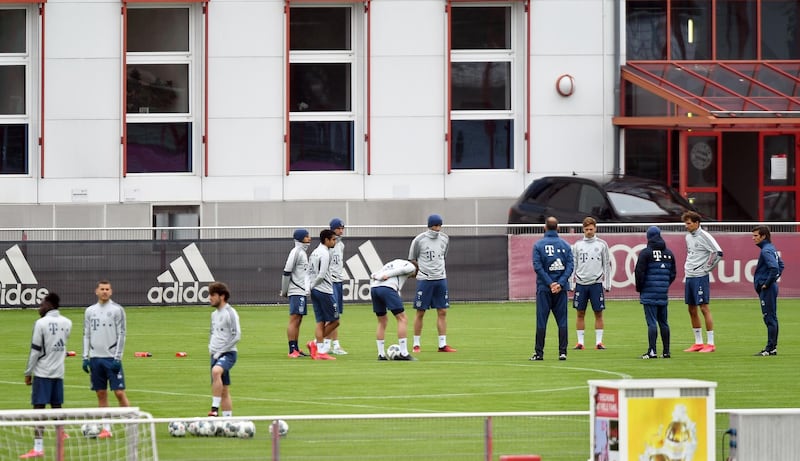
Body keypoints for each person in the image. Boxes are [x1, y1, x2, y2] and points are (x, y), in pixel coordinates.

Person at [21, 293, 72, 459]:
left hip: (42, 373)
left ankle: (38, 447)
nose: (39, 307)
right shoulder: (67, 323)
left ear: (49, 305)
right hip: (58, 372)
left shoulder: (40, 323)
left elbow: (35, 350)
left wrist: (28, 372)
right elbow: (61, 347)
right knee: (57, 406)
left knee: (39, 409)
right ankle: (61, 435)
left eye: (42, 304)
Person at [82, 280, 129, 438]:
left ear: (111, 291)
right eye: (102, 289)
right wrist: (85, 356)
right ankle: (106, 429)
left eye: (107, 289)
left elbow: (122, 334)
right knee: (101, 394)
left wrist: (118, 357)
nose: (104, 292)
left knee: (119, 393)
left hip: (111, 359)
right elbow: (86, 334)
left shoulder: (117, 310)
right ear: (96, 291)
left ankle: (131, 424)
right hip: (95, 358)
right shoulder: (90, 311)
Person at [409, 214, 456, 353]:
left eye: (439, 226)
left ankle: (442, 344)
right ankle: (416, 344)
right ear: (429, 226)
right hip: (425, 280)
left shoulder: (445, 239)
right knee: (420, 312)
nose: (437, 229)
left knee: (442, 311)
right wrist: (421, 272)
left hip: (441, 279)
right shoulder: (419, 240)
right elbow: (412, 258)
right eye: (435, 226)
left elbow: (443, 256)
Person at [531, 216, 574, 361]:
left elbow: (538, 267)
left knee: (542, 321)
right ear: (558, 228)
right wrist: (560, 283)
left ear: (545, 228)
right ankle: (563, 352)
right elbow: (570, 267)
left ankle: (539, 353)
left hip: (544, 288)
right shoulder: (566, 245)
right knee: (562, 321)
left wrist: (550, 284)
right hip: (560, 290)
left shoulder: (538, 245)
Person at [681, 211, 723, 353]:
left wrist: (707, 268)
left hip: (700, 276)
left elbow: (718, 252)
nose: (686, 226)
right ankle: (698, 343)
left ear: (697, 223)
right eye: (685, 223)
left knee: (704, 307)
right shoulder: (688, 237)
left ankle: (710, 344)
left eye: (689, 223)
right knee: (691, 309)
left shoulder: (705, 236)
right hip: (690, 276)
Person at [634, 226, 677, 359]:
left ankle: (652, 351)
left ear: (648, 237)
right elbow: (673, 273)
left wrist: (640, 288)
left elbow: (639, 272)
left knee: (652, 322)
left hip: (649, 292)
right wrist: (664, 286)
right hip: (662, 293)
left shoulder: (646, 253)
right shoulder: (669, 253)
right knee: (664, 322)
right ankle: (666, 351)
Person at [570, 216, 611, 350]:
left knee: (598, 313)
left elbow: (606, 264)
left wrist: (607, 283)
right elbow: (573, 264)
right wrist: (571, 283)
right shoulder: (577, 245)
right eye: (586, 229)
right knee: (580, 313)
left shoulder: (601, 244)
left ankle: (599, 342)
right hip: (581, 284)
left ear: (595, 228)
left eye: (591, 229)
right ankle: (580, 342)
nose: (589, 231)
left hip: (596, 283)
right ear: (583, 229)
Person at [370, 259, 419, 361]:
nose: (410, 277)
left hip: (374, 288)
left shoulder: (394, 262)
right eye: (413, 275)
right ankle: (404, 353)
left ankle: (381, 354)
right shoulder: (411, 267)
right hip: (387, 288)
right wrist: (385, 275)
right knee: (402, 319)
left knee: (382, 321)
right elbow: (400, 271)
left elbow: (375, 274)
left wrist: (377, 276)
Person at [207, 281, 241, 417]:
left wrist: (221, 351)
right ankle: (228, 420)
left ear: (222, 296)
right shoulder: (214, 315)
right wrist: (211, 348)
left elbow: (236, 335)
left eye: (212, 295)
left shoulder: (230, 313)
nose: (210, 298)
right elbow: (213, 333)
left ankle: (214, 409)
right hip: (214, 354)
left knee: (216, 372)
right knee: (224, 391)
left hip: (228, 353)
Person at [306, 229, 339, 360]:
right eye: (333, 239)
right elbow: (321, 274)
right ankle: (315, 343)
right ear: (326, 240)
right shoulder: (325, 253)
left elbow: (308, 272)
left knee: (320, 321)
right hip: (324, 290)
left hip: (315, 291)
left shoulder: (314, 252)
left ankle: (318, 351)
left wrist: (308, 287)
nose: (334, 242)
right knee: (335, 321)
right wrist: (312, 286)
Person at [751, 225, 784, 357]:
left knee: (769, 318)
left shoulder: (766, 251)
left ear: (763, 236)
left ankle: (770, 348)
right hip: (770, 287)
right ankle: (772, 348)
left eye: (755, 236)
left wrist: (767, 283)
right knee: (771, 317)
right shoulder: (770, 248)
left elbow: (775, 268)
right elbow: (781, 265)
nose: (753, 238)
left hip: (768, 289)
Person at [279, 229, 311, 358]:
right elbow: (287, 271)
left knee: (299, 319)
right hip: (296, 290)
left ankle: (296, 348)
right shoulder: (296, 252)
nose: (309, 239)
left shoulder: (302, 252)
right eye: (307, 237)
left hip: (301, 291)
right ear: (300, 238)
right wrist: (285, 291)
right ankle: (292, 349)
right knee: (294, 319)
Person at [326, 218, 348, 355]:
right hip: (330, 282)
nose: (341, 231)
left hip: (339, 281)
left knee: (336, 314)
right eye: (338, 228)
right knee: (331, 315)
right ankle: (328, 344)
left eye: (342, 228)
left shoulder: (341, 245)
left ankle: (333, 345)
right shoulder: (327, 245)